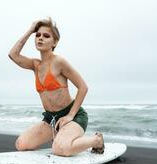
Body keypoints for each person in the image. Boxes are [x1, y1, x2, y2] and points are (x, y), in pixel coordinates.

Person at [8, 18, 104, 156]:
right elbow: (13, 55)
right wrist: (30, 30)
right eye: (38, 35)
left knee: (59, 149)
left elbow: (83, 87)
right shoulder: (35, 65)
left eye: (46, 36)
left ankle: (97, 140)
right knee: (21, 144)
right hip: (51, 119)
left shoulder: (59, 62)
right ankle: (62, 136)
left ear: (55, 42)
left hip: (74, 116)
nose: (40, 38)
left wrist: (70, 115)